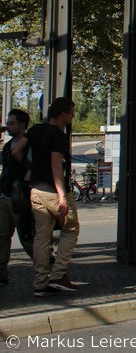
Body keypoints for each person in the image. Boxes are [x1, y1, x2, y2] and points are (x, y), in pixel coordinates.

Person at [12, 97, 80, 297]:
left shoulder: (35, 130)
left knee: (42, 237)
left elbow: (16, 151)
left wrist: (32, 168)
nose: (72, 117)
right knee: (71, 229)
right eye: (71, 113)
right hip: (53, 191)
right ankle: (58, 275)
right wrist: (62, 196)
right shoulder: (58, 136)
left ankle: (40, 282)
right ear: (62, 114)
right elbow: (56, 167)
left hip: (36, 190)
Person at [0, 109, 31, 285]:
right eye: (8, 123)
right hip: (5, 196)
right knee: (1, 236)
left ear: (22, 125)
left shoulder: (29, 145)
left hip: (20, 197)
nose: (8, 126)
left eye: (11, 123)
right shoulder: (7, 146)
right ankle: (1, 273)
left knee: (27, 237)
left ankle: (47, 271)